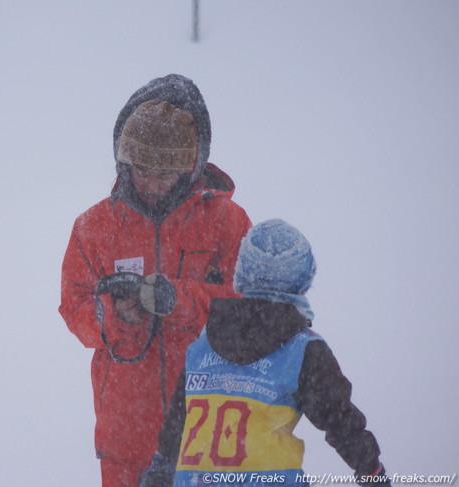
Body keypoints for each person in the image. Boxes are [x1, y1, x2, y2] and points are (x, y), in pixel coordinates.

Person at [59, 74, 252, 486]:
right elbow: (74, 309)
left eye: (164, 173)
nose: (150, 183)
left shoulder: (226, 222)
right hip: (126, 436)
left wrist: (179, 300)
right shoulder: (93, 227)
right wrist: (116, 315)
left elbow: (252, 309)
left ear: (191, 165)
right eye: (141, 169)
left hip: (212, 429)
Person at [140, 219, 390, 487]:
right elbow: (339, 420)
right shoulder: (303, 350)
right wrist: (371, 470)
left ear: (242, 274)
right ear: (304, 279)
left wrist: (162, 466)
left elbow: (180, 418)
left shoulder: (203, 344)